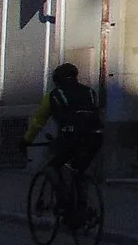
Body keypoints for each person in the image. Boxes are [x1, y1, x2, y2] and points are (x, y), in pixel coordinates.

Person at [25, 63, 102, 223]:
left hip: (71, 137)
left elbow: (38, 121)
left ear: (57, 81)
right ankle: (81, 209)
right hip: (95, 137)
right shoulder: (90, 92)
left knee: (51, 167)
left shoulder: (54, 95)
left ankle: (64, 202)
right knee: (78, 170)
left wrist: (26, 140)